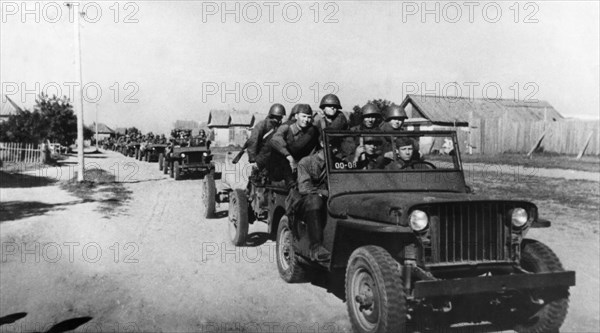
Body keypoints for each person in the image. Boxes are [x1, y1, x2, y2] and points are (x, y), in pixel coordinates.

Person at [270, 104, 320, 187]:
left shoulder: (312, 130)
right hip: (280, 166)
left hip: (300, 164)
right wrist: (289, 156)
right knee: (279, 154)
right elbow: (275, 140)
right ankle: (291, 184)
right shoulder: (286, 127)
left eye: (309, 117)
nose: (306, 120)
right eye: (303, 116)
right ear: (296, 116)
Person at [297, 139, 330, 261]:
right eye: (330, 143)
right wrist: (324, 192)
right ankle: (316, 248)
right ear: (322, 143)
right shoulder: (306, 162)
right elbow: (305, 188)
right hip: (305, 201)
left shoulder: (336, 162)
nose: (335, 148)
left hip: (327, 198)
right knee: (315, 201)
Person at [247, 103, 286, 171]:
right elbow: (253, 141)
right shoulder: (262, 125)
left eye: (281, 116)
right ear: (272, 115)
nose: (280, 118)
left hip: (274, 160)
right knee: (257, 179)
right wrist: (253, 160)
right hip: (261, 158)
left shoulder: (280, 126)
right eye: (278, 116)